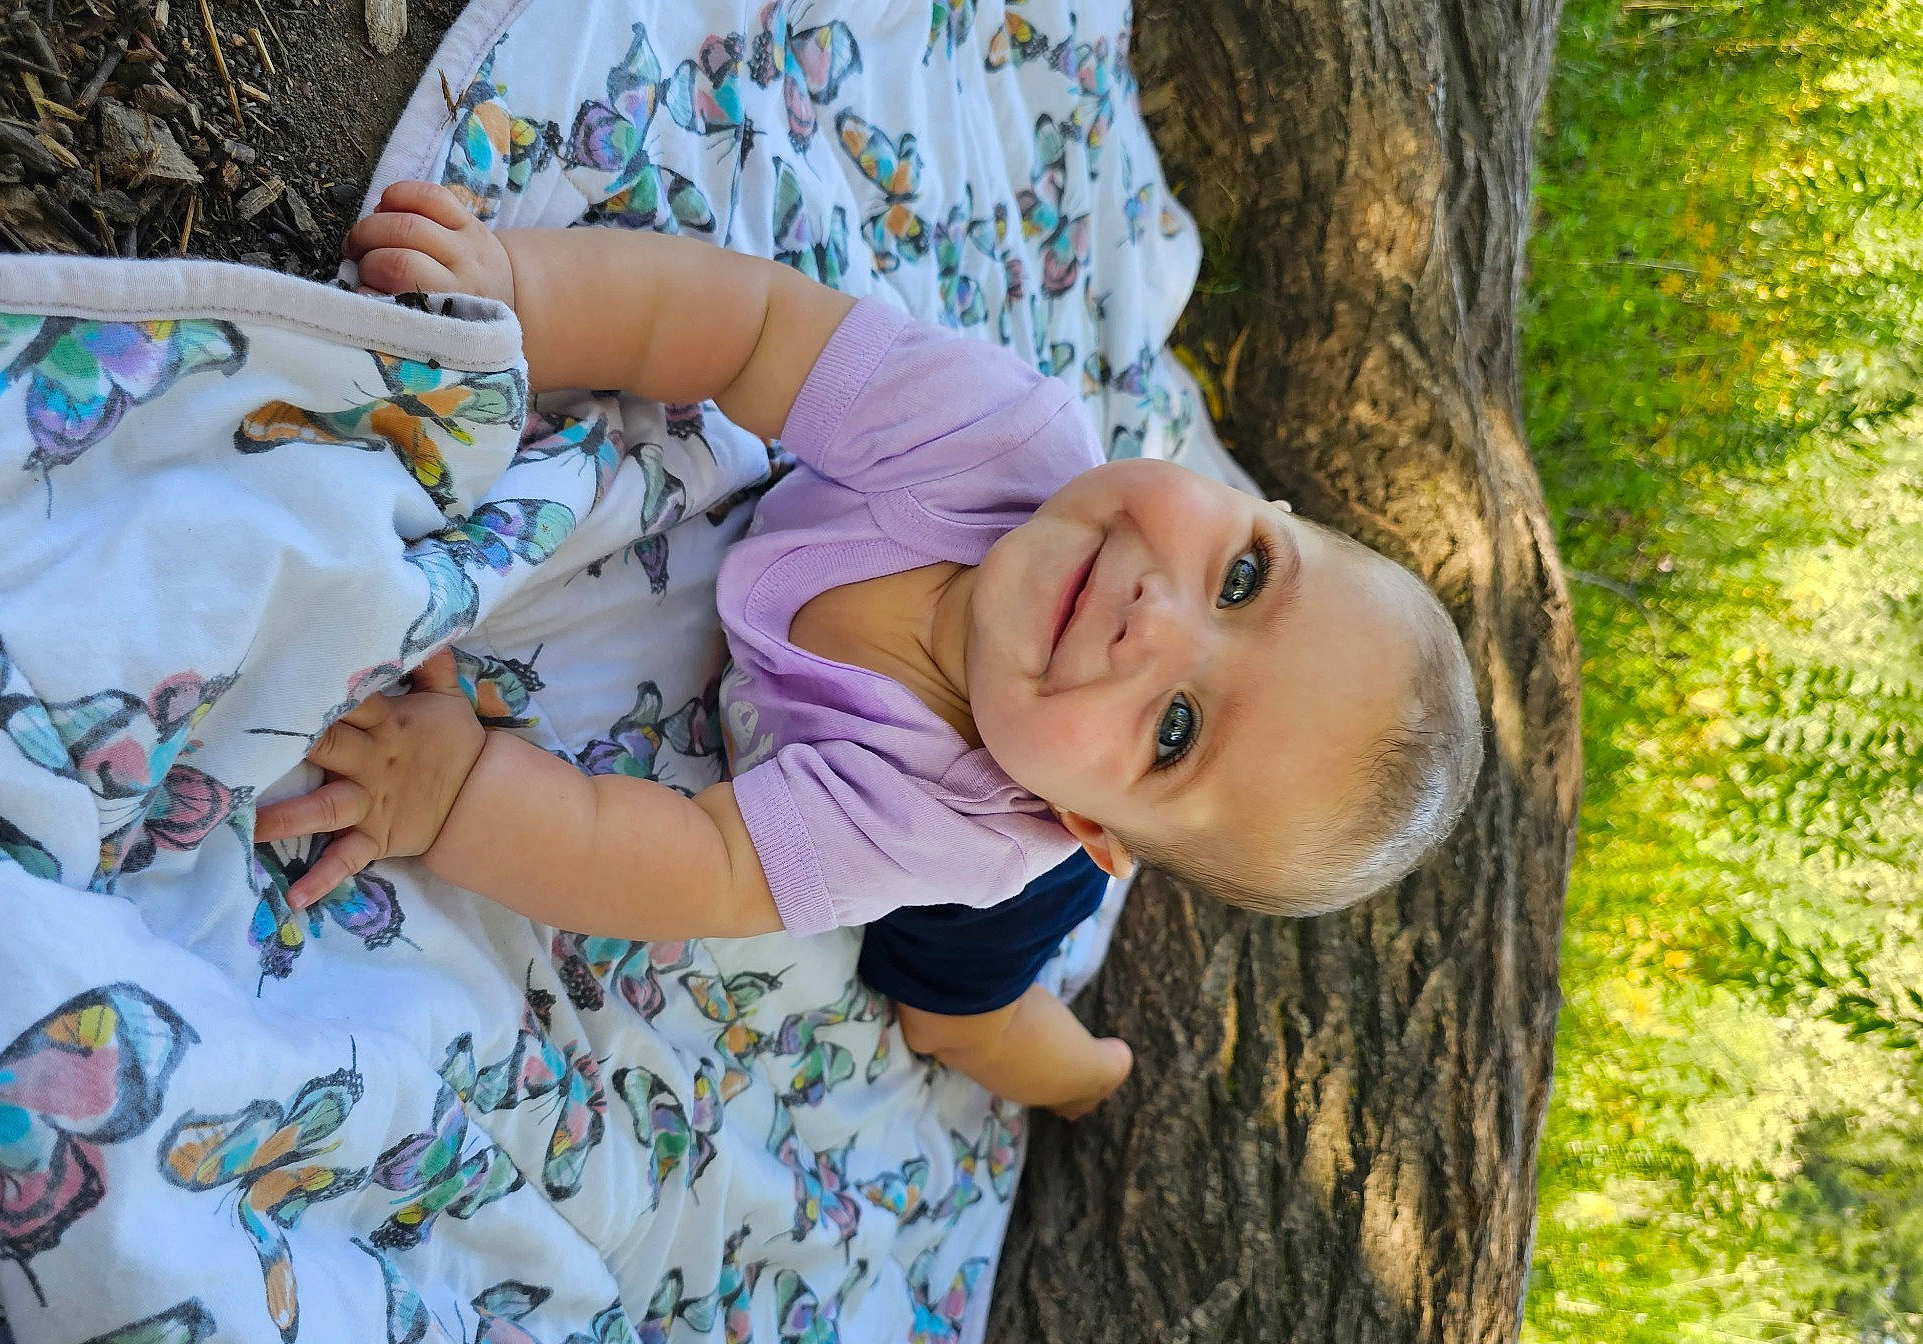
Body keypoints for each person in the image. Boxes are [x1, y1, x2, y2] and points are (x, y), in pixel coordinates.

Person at [252, 180, 1484, 1118]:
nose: (1152, 621)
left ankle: (1083, 1075)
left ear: (1093, 828)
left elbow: (691, 861)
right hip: (1030, 747)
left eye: (1176, 729)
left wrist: (458, 791)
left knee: (954, 1011)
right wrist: (517, 287)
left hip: (982, 899)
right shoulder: (1002, 439)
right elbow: (742, 334)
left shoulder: (937, 823)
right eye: (1242, 578)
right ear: (1252, 506)